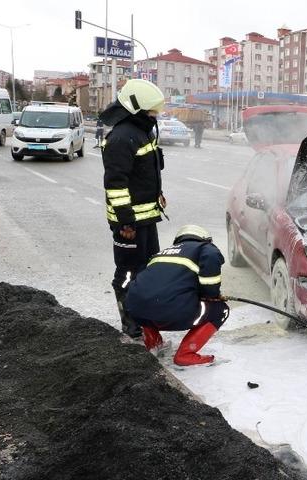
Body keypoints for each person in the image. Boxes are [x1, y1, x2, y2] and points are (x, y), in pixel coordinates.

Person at [100, 79, 168, 339]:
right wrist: (124, 222)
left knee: (148, 268)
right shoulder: (121, 137)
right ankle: (130, 322)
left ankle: (145, 315)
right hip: (129, 223)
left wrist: (158, 194)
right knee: (127, 273)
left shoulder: (143, 131)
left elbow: (146, 172)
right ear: (136, 108)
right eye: (152, 111)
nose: (155, 115)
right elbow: (116, 185)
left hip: (147, 218)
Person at [125, 225, 228, 366]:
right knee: (220, 309)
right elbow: (210, 267)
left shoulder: (160, 254)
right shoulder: (204, 248)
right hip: (173, 312)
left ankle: (153, 342)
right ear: (205, 239)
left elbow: (148, 286)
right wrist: (213, 295)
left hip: (136, 311)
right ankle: (186, 353)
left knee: (149, 301)